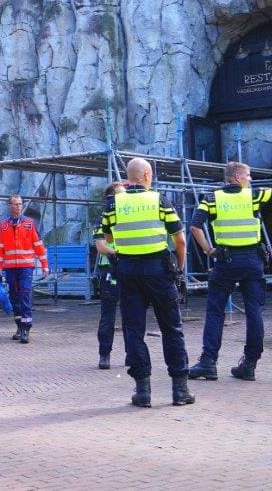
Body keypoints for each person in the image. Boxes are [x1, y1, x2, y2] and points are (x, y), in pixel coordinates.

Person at [188, 145, 272, 382]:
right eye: (248, 176)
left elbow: (195, 226)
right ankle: (249, 364)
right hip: (252, 261)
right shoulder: (254, 195)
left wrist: (209, 250)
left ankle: (208, 362)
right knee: (253, 311)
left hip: (225, 261)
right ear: (237, 177)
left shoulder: (211, 198)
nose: (251, 179)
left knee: (215, 310)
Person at [102, 157, 194, 407]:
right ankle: (180, 390)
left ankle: (142, 392)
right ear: (145, 176)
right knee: (171, 328)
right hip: (159, 270)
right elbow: (180, 240)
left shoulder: (113, 204)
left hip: (128, 271)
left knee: (133, 330)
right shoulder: (159, 200)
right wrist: (179, 268)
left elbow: (108, 239)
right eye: (150, 175)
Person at [0, 194, 49, 343]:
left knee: (24, 295)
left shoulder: (29, 224)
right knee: (14, 297)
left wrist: (45, 266)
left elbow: (39, 246)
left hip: (26, 267)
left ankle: (26, 329)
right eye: (15, 204)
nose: (18, 206)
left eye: (20, 204)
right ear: (10, 206)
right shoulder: (3, 226)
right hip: (10, 268)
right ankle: (19, 327)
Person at [93, 181, 125, 369]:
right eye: (120, 194)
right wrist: (119, 254)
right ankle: (104, 354)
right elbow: (100, 246)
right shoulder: (103, 217)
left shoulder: (128, 215)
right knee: (108, 316)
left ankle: (132, 354)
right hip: (110, 270)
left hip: (129, 269)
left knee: (133, 314)